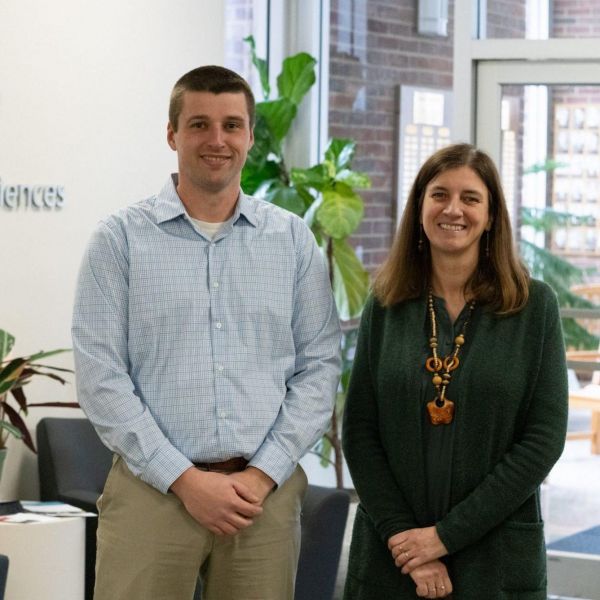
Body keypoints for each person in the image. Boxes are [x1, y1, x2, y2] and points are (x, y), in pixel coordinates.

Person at [72, 65, 341, 600]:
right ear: (172, 134)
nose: (216, 140)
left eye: (231, 125)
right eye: (199, 124)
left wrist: (262, 474)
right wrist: (184, 480)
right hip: (153, 494)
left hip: (260, 501)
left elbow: (320, 367)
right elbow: (101, 377)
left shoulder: (291, 240)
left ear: (248, 136)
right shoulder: (119, 241)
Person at [342, 143, 568, 599]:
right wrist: (406, 539)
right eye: (439, 194)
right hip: (394, 560)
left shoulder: (534, 306)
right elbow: (360, 433)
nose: (453, 209)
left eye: (470, 198)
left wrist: (442, 538)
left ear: (491, 216)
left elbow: (543, 439)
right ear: (420, 208)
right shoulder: (386, 304)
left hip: (496, 557)